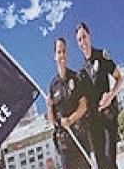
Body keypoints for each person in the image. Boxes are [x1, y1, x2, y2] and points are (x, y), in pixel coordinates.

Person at [76, 22, 123, 169]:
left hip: (108, 117)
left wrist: (110, 96)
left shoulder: (101, 56)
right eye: (79, 39)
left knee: (110, 160)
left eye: (84, 37)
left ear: (89, 36)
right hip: (94, 123)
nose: (83, 41)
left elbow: (119, 78)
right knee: (102, 164)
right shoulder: (81, 71)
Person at [47, 38, 90, 169]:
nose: (62, 55)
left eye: (64, 51)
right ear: (54, 55)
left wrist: (70, 120)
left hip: (79, 138)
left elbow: (83, 106)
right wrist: (49, 106)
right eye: (59, 52)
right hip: (64, 143)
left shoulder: (75, 78)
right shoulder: (53, 86)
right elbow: (52, 120)